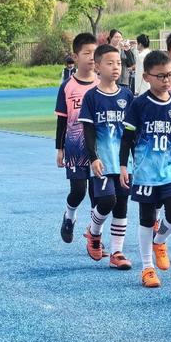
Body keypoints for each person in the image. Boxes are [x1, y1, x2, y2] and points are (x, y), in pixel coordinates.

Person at [120, 50, 171, 288]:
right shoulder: (139, 105)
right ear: (146, 77)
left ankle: (161, 240)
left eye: (169, 75)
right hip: (146, 171)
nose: (166, 80)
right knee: (147, 218)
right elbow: (127, 137)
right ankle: (147, 267)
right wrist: (123, 165)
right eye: (160, 76)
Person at [78, 44, 134, 270]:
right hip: (102, 159)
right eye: (110, 63)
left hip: (123, 162)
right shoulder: (91, 97)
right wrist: (93, 158)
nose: (115, 67)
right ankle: (94, 232)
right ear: (98, 66)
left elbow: (132, 131)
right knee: (107, 200)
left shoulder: (127, 95)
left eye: (118, 63)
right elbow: (88, 131)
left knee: (121, 203)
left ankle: (117, 252)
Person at [55, 33, 99, 244]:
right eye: (86, 53)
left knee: (97, 195)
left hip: (99, 148)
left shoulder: (102, 83)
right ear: (76, 56)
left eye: (94, 53)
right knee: (78, 191)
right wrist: (59, 149)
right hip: (74, 147)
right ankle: (69, 216)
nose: (91, 57)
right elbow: (62, 120)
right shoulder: (67, 86)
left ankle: (93, 234)